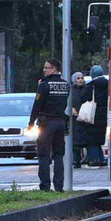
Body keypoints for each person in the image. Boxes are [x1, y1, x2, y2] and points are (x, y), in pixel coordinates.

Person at [31, 59, 72, 191]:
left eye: (46, 67)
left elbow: (37, 106)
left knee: (43, 155)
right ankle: (59, 187)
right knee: (58, 155)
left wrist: (31, 123)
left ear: (54, 69)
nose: (44, 70)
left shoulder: (44, 85)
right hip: (60, 122)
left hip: (46, 123)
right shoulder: (66, 85)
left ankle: (45, 186)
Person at [72, 64, 109, 168]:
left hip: (93, 114)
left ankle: (94, 159)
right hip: (105, 114)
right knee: (100, 137)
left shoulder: (92, 85)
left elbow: (84, 98)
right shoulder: (109, 84)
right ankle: (101, 158)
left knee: (91, 138)